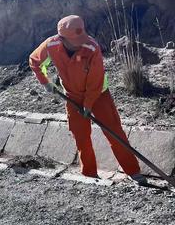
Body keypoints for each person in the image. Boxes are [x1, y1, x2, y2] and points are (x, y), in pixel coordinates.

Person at [29, 14, 146, 185]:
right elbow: (35, 61)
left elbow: (95, 80)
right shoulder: (51, 45)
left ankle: (133, 171)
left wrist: (89, 104)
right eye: (76, 39)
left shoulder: (91, 47)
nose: (81, 41)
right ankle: (89, 173)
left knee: (114, 132)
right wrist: (46, 83)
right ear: (63, 39)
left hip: (99, 94)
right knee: (80, 135)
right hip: (72, 96)